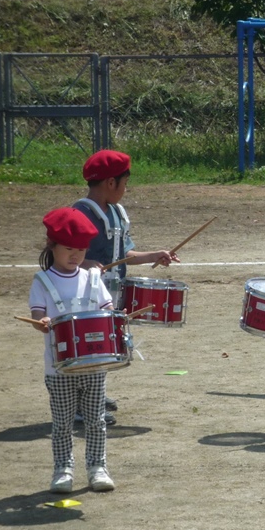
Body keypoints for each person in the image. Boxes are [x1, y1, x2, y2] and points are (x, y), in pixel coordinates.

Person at [75, 149, 178, 424]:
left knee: (105, 346)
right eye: (125, 183)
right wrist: (87, 264)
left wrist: (154, 255)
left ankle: (94, 394)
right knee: (90, 346)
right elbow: (65, 257)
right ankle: (81, 405)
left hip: (112, 293)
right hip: (85, 294)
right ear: (111, 183)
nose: (125, 189)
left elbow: (125, 255)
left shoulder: (118, 213)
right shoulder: (80, 214)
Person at [29, 208, 117, 493]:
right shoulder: (42, 281)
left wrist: (117, 318)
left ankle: (97, 467)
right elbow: (37, 314)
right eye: (69, 249)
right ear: (51, 245)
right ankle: (63, 470)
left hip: (94, 364)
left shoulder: (92, 277)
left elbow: (107, 310)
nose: (76, 255)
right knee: (63, 423)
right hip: (58, 368)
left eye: (81, 250)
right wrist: (42, 322)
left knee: (96, 421)